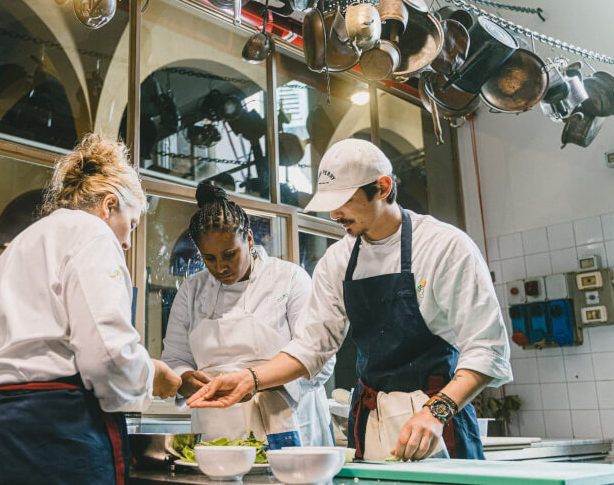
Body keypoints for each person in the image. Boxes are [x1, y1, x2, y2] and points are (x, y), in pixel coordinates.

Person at [188, 138, 512, 461]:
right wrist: (251, 379)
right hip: (372, 421)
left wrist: (436, 412)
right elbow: (312, 348)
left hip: (438, 423)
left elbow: (487, 349)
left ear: (382, 187)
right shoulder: (337, 259)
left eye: (343, 200)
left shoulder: (445, 247)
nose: (334, 213)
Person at [0, 134, 181, 484]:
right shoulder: (93, 233)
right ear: (108, 205)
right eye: (131, 224)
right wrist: (153, 376)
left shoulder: (21, 245)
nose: (127, 242)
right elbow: (107, 357)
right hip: (48, 435)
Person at [162, 180, 334, 448]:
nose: (220, 267)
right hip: (215, 433)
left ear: (250, 239)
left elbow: (319, 363)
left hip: (287, 427)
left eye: (229, 254)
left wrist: (254, 381)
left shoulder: (289, 278)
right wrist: (186, 379)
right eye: (209, 258)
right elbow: (174, 358)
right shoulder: (192, 290)